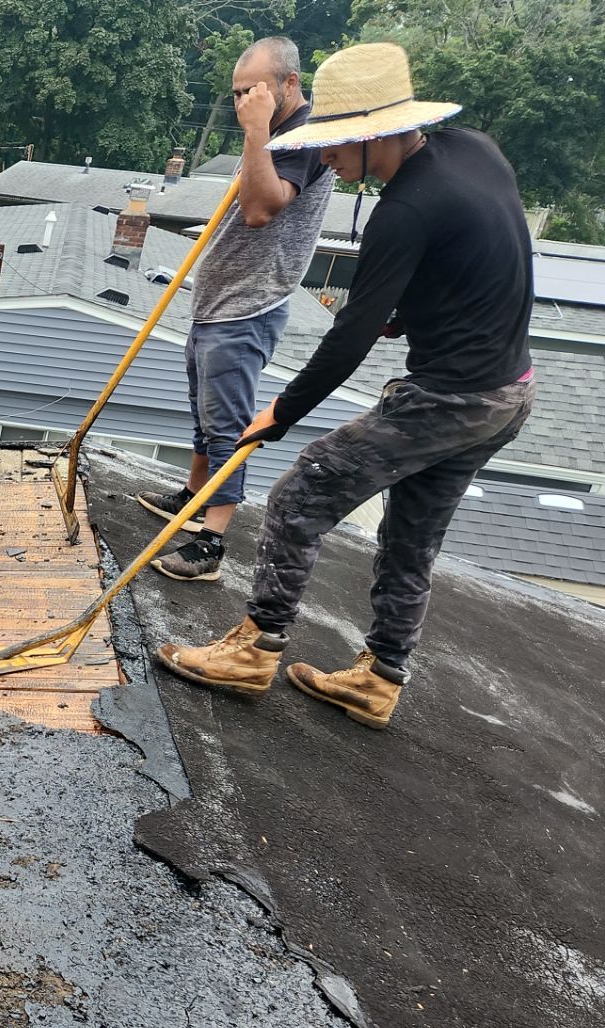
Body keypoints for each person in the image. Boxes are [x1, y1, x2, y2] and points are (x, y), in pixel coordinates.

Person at [158, 43, 535, 730]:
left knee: (300, 495)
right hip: (508, 392)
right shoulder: (473, 151)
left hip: (448, 399)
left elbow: (349, 340)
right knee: (412, 536)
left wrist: (279, 411)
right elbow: (486, 257)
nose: (326, 158)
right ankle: (380, 678)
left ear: (372, 133)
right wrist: (414, 313)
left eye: (336, 145)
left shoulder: (405, 209)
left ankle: (255, 649)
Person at [139, 36, 335, 583]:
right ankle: (194, 496)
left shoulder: (304, 139)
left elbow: (260, 209)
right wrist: (258, 130)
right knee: (206, 416)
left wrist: (255, 131)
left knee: (227, 424)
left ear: (290, 84)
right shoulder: (274, 134)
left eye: (254, 90)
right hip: (218, 303)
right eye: (236, 93)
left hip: (248, 306)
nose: (242, 101)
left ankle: (211, 546)